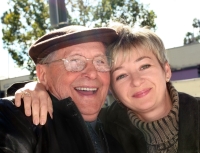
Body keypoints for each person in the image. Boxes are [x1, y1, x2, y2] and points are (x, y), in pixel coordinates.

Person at [11, 23, 200, 153]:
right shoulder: (106, 126)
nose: (136, 81)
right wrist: (35, 88)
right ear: (112, 86)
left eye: (144, 66)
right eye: (121, 75)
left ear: (166, 70)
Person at [0, 25, 125, 153]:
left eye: (100, 61)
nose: (92, 73)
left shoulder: (118, 138)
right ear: (42, 74)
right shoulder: (13, 119)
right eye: (75, 60)